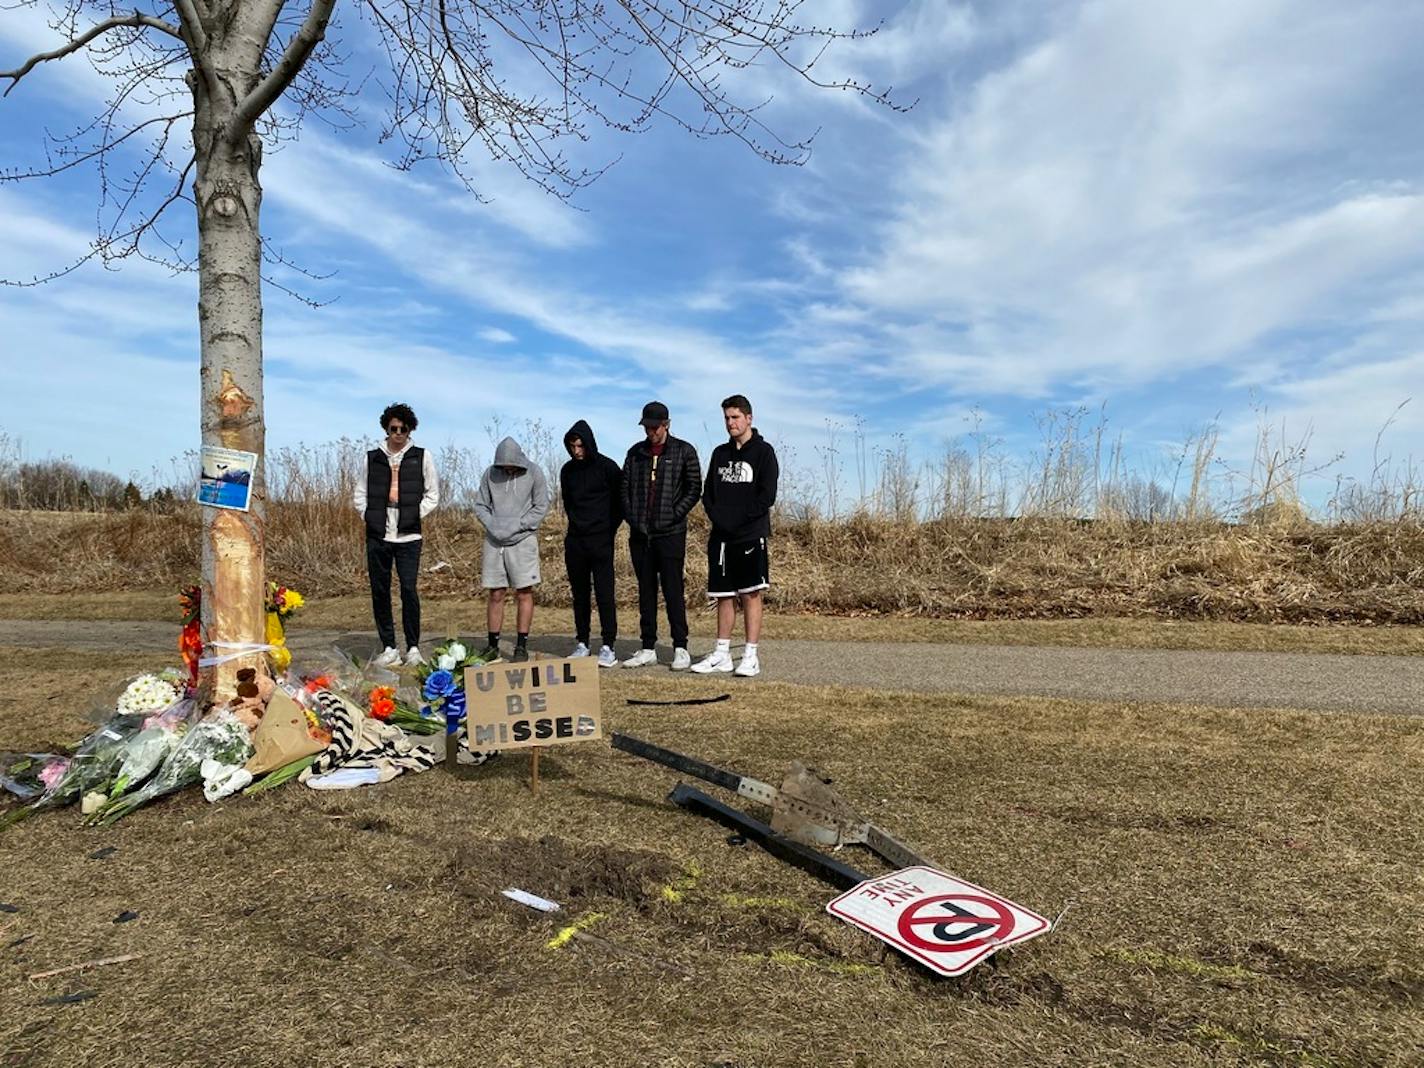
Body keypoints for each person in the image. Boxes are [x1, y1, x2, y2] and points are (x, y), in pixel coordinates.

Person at [691, 394, 779, 678]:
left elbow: (766, 497)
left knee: (750, 594)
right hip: (721, 536)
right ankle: (722, 653)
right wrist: (720, 519)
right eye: (727, 418)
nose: (731, 423)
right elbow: (709, 494)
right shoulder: (720, 453)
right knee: (724, 595)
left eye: (735, 417)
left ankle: (751, 655)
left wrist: (739, 520)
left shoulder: (764, 453)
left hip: (750, 535)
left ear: (749, 418)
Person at [355, 403, 439, 667]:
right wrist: (369, 515)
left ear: (410, 429)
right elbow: (359, 493)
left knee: (408, 589)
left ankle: (413, 647)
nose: (398, 434)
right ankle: (389, 647)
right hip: (378, 533)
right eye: (394, 429)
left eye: (403, 429)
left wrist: (414, 514)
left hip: (409, 536)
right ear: (386, 429)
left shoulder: (422, 456)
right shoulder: (372, 457)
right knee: (380, 590)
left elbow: (433, 494)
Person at [620, 401, 701, 670]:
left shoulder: (683, 451)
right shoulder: (635, 453)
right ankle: (647, 647)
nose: (650, 432)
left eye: (655, 427)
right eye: (647, 427)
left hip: (671, 534)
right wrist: (634, 519)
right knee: (645, 592)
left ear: (666, 425)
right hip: (641, 535)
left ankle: (680, 646)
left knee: (673, 589)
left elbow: (694, 488)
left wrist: (674, 514)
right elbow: (624, 489)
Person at [473, 437, 550, 663]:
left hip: (523, 540)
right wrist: (493, 525)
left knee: (524, 592)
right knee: (496, 593)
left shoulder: (534, 473)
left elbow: (541, 506)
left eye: (511, 464)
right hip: (494, 541)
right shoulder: (490, 473)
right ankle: (492, 645)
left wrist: (518, 525)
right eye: (503, 464)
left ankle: (521, 646)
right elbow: (480, 505)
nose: (507, 467)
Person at [560, 420, 623, 668]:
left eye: (580, 446)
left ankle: (608, 644)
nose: (577, 451)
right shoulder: (567, 471)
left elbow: (620, 504)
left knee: (605, 594)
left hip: (601, 540)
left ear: (589, 443)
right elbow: (568, 503)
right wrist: (577, 525)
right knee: (580, 595)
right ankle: (583, 642)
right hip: (575, 540)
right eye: (572, 446)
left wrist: (607, 530)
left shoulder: (607, 467)